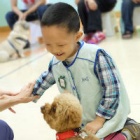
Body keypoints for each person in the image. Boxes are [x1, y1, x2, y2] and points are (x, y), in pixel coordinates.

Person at [32, 2, 133, 139]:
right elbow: (45, 79)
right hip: (84, 125)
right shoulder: (56, 62)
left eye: (60, 44)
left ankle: (129, 129)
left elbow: (112, 90)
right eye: (48, 44)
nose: (55, 50)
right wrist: (23, 95)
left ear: (77, 36)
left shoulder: (96, 56)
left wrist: (99, 120)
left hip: (108, 120)